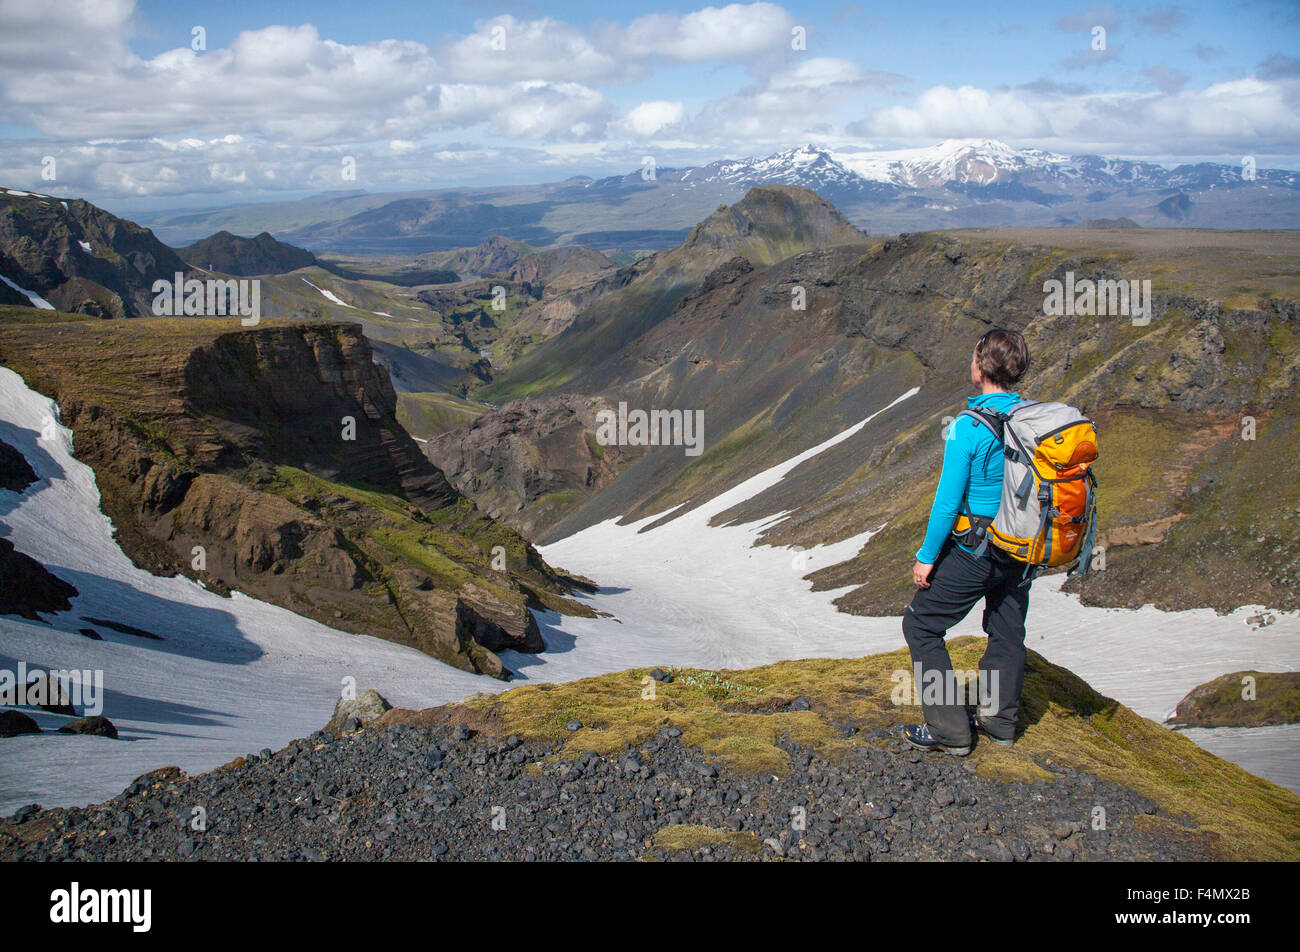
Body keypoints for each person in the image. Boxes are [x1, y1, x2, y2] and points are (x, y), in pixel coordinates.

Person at [902, 328, 1031, 756]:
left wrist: (925, 559)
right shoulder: (1028, 418)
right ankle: (999, 721)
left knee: (920, 624)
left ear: (981, 365)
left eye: (973, 355)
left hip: (979, 551)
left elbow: (945, 504)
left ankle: (950, 730)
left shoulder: (967, 428)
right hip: (1023, 549)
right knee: (1006, 629)